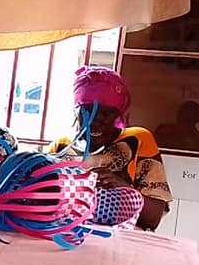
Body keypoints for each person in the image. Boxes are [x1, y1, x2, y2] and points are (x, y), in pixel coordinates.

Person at [50, 66, 172, 231]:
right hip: (65, 239)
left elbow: (153, 219)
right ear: (75, 111)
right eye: (87, 112)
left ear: (118, 115)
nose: (95, 121)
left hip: (121, 245)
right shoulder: (61, 147)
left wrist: (123, 188)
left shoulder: (137, 140)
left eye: (106, 114)